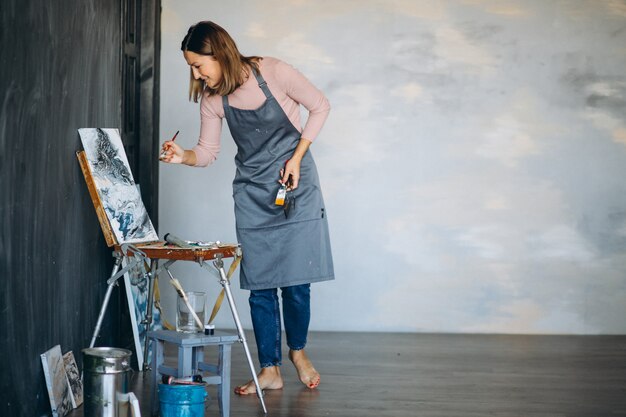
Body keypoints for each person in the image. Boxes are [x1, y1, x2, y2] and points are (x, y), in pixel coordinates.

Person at [160, 21, 334, 395]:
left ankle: (298, 353)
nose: (195, 74)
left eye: (198, 65)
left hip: (295, 185)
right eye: (191, 67)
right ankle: (269, 369)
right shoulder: (213, 100)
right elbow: (207, 153)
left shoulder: (273, 72)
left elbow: (320, 106)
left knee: (296, 283)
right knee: (260, 286)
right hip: (253, 194)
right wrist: (182, 156)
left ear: (219, 53)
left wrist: (297, 157)